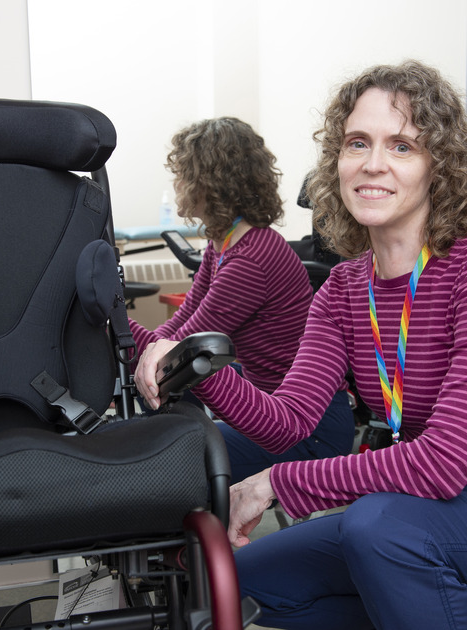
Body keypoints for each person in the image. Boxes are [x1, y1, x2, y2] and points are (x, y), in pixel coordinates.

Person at [135, 61, 467, 629]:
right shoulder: (345, 289)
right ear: (336, 162)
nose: (373, 163)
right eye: (356, 143)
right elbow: (288, 422)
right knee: (235, 581)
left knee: (378, 526)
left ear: (436, 168)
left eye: (401, 146)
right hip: (427, 517)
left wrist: (276, 481)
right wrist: (191, 364)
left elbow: (443, 464)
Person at [129, 116, 355, 484]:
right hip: (274, 407)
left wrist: (115, 323)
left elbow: (181, 350)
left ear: (210, 182)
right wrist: (142, 342)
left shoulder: (252, 259)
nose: (178, 183)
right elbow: (179, 324)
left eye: (185, 174)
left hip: (309, 428)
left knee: (174, 461)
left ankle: (185, 533)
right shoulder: (224, 244)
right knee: (164, 424)